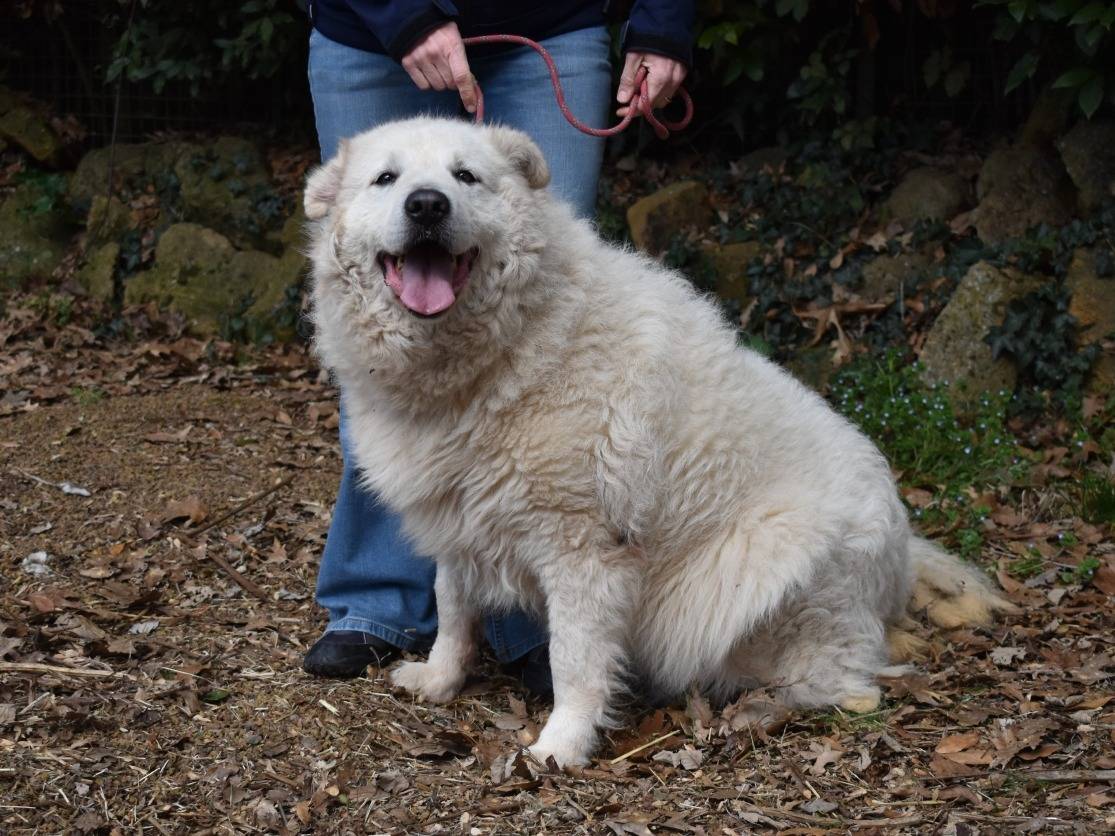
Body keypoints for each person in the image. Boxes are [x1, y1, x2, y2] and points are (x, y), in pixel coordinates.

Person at [301, 0, 694, 688]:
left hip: (547, 26)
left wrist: (661, 22)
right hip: (368, 31)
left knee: (546, 331)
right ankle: (376, 601)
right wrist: (402, 15)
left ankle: (531, 621)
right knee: (378, 339)